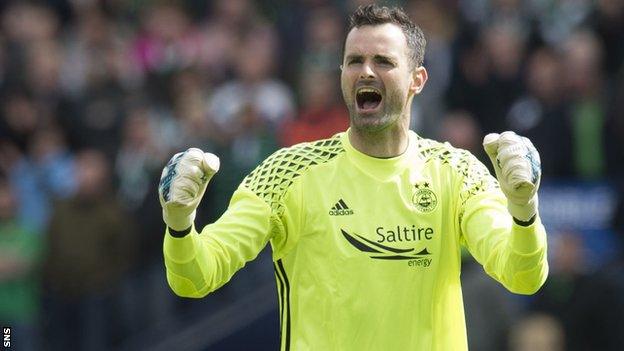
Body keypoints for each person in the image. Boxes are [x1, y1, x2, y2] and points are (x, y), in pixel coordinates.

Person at [158, 5, 548, 350]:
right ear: (341, 72)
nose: (365, 71)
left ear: (418, 79)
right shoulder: (287, 173)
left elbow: (521, 274)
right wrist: (179, 224)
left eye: (383, 61)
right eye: (354, 60)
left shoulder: (456, 172)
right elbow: (196, 277)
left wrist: (524, 211)